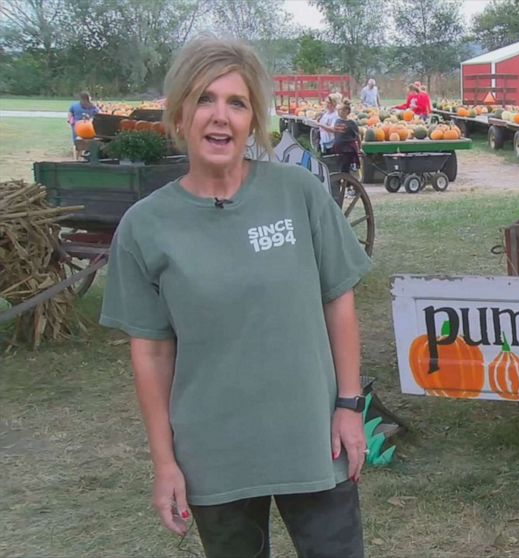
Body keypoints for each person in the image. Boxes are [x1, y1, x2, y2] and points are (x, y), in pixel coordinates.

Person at [98, 36, 371, 558]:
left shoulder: (299, 193)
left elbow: (339, 300)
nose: (219, 116)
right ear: (179, 114)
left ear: (253, 121)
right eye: (204, 99)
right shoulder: (145, 227)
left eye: (236, 103)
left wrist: (349, 406)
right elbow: (151, 352)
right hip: (214, 451)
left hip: (314, 438)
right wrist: (164, 463)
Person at [330, 100, 362, 173]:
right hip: (338, 147)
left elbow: (357, 136)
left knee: (345, 168)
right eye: (338, 110)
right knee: (338, 167)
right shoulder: (337, 121)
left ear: (347, 111)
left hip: (348, 149)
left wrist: (359, 148)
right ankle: (342, 181)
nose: (339, 111)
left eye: (341, 110)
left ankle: (346, 182)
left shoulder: (351, 123)